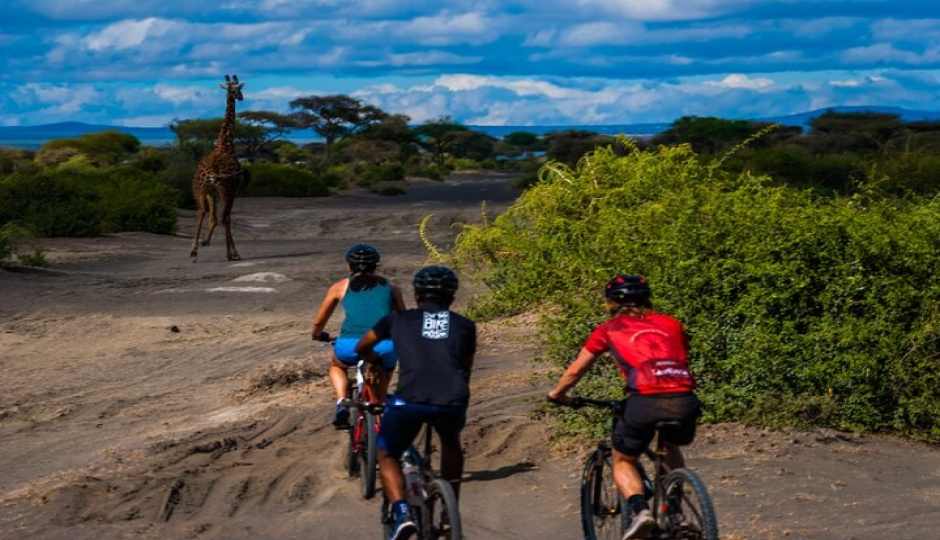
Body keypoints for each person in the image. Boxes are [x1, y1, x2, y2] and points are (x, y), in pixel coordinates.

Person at [547, 275, 700, 540]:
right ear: (646, 299)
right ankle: (675, 508)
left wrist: (558, 394)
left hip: (644, 400)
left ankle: (641, 512)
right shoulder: (671, 323)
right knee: (669, 445)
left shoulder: (609, 329)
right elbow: (679, 355)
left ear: (610, 303)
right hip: (685, 400)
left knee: (623, 460)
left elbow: (576, 370)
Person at [355, 265, 476, 540]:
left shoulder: (397, 320)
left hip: (410, 399)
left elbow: (362, 347)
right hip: (452, 399)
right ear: (452, 298)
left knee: (386, 453)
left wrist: (374, 361)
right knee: (451, 443)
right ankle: (450, 509)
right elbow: (465, 368)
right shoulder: (466, 326)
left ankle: (402, 515)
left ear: (416, 294)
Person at [311, 243, 405, 429]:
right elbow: (403, 317)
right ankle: (380, 419)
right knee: (383, 376)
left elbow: (319, 321)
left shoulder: (339, 287)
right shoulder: (392, 287)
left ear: (349, 266)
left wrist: (318, 335)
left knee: (337, 365)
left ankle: (341, 402)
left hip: (349, 344)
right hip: (383, 345)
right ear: (376, 265)